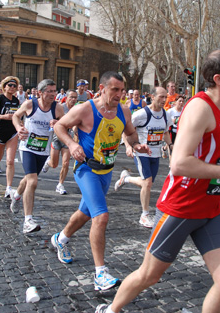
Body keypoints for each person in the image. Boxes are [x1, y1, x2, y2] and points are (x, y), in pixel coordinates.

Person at [95, 49, 220, 313]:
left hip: (209, 209)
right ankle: (110, 310)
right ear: (219, 79)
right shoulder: (200, 107)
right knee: (149, 275)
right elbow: (179, 163)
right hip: (182, 208)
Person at [50, 71, 150, 291]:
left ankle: (61, 239)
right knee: (101, 216)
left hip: (107, 172)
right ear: (102, 88)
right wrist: (72, 144)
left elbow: (131, 133)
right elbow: (59, 126)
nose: (119, 94)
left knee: (86, 213)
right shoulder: (85, 109)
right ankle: (100, 274)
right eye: (115, 90)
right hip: (86, 169)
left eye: (122, 90)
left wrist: (136, 145)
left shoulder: (124, 111)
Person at [10, 79, 64, 233]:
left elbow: (65, 123)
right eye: (49, 91)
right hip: (27, 148)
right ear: (40, 92)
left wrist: (57, 123)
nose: (53, 94)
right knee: (33, 181)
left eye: (54, 91)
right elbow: (15, 116)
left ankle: (16, 195)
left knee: (28, 179)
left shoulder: (57, 108)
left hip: (42, 150)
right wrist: (19, 127)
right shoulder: (30, 104)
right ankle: (28, 221)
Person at [116, 86, 171, 228]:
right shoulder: (141, 114)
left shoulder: (166, 115)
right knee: (147, 183)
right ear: (152, 97)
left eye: (166, 97)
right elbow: (125, 129)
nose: (164, 100)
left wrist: (171, 146)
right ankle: (144, 215)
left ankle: (126, 178)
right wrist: (129, 147)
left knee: (148, 182)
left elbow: (165, 132)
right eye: (161, 97)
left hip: (156, 153)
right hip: (141, 152)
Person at [0, 76, 21, 197]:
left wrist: (20, 125)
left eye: (14, 86)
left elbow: (18, 116)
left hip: (12, 132)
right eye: (10, 85)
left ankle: (9, 187)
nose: (12, 88)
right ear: (4, 86)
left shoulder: (16, 101)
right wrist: (3, 117)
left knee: (10, 161)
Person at [42, 89, 79, 195]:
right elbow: (52, 121)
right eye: (71, 97)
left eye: (75, 97)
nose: (73, 99)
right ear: (66, 97)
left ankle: (60, 184)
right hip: (57, 137)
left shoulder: (77, 109)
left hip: (68, 138)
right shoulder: (60, 107)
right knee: (54, 164)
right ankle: (48, 162)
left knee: (66, 162)